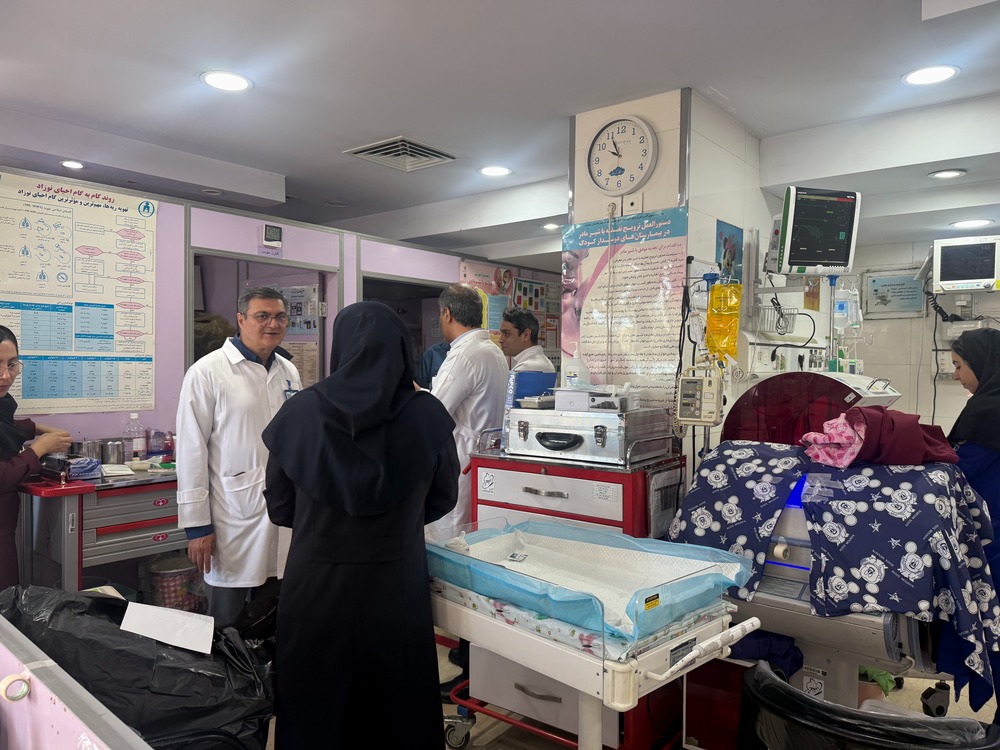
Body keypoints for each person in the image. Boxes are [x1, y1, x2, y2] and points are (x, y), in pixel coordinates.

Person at [262, 302, 459, 749]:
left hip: (316, 584)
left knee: (317, 703)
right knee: (396, 705)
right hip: (397, 583)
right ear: (403, 351)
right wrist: (396, 522)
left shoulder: (301, 414)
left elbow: (281, 506)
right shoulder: (427, 417)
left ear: (341, 348)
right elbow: (443, 497)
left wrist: (325, 523)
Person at [176, 287, 302, 626]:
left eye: (279, 317)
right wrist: (197, 526)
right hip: (230, 517)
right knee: (224, 622)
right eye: (262, 316)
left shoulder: (289, 371)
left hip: (283, 511)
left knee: (273, 614)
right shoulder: (207, 372)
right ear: (241, 320)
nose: (272, 324)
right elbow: (190, 451)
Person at [421, 283, 508, 539]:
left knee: (452, 535)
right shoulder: (493, 351)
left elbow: (434, 412)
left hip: (462, 458)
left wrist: (416, 395)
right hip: (483, 457)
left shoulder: (464, 356)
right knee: (475, 532)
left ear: (447, 314)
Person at [949, 328, 1000, 719]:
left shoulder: (989, 415)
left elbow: (957, 469)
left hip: (994, 540)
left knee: (996, 630)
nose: (955, 376)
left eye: (958, 366)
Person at [0, 326, 72, 591]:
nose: (6, 376)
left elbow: (5, 427)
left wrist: (37, 429)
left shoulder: (3, 402)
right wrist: (39, 448)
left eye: (12, 364)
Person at [498, 306, 555, 372]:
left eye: (507, 333)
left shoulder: (528, 367)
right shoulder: (538, 361)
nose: (500, 340)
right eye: (501, 333)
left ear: (526, 335)